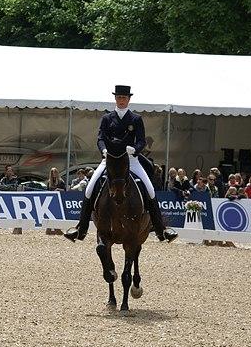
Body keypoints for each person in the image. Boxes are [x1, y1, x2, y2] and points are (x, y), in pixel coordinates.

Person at [65, 85, 177, 242]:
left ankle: (161, 230)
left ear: (129, 99)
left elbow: (142, 141)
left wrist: (135, 150)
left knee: (150, 190)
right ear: (115, 98)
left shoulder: (136, 119)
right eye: (119, 97)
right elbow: (100, 139)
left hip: (131, 160)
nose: (121, 100)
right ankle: (80, 229)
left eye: (124, 98)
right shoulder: (107, 118)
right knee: (90, 188)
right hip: (109, 159)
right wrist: (104, 150)